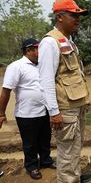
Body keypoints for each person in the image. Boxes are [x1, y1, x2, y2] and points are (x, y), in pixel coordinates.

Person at [38, 0, 91, 183]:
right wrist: (54, 112)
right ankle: (68, 180)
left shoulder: (68, 42)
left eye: (79, 16)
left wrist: (85, 99)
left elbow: (76, 75)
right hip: (65, 109)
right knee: (67, 150)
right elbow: (45, 81)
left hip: (76, 105)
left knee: (75, 146)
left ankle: (74, 177)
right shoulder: (50, 43)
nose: (78, 19)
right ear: (60, 17)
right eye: (74, 15)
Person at [0, 38, 56, 180]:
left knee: (45, 139)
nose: (40, 51)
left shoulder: (42, 65)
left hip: (44, 111)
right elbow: (6, 90)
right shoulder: (16, 66)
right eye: (37, 49)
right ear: (28, 50)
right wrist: (1, 113)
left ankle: (45, 161)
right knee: (30, 143)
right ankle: (31, 167)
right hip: (26, 114)